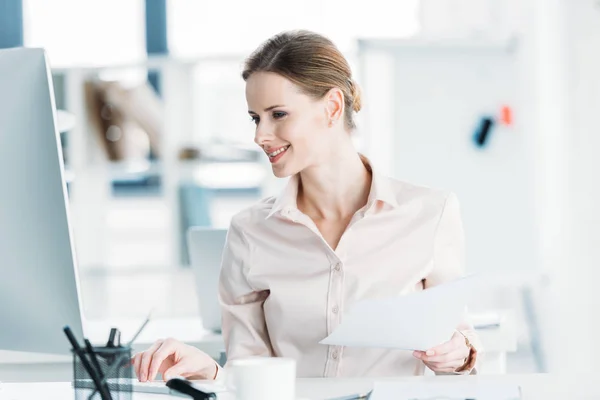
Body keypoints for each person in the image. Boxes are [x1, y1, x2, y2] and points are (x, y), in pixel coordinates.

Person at [132, 30, 481, 382]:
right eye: (256, 118)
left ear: (332, 107)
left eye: (278, 114)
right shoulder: (250, 231)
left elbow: (458, 338)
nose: (260, 135)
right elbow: (248, 374)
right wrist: (211, 371)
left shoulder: (429, 213)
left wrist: (459, 353)